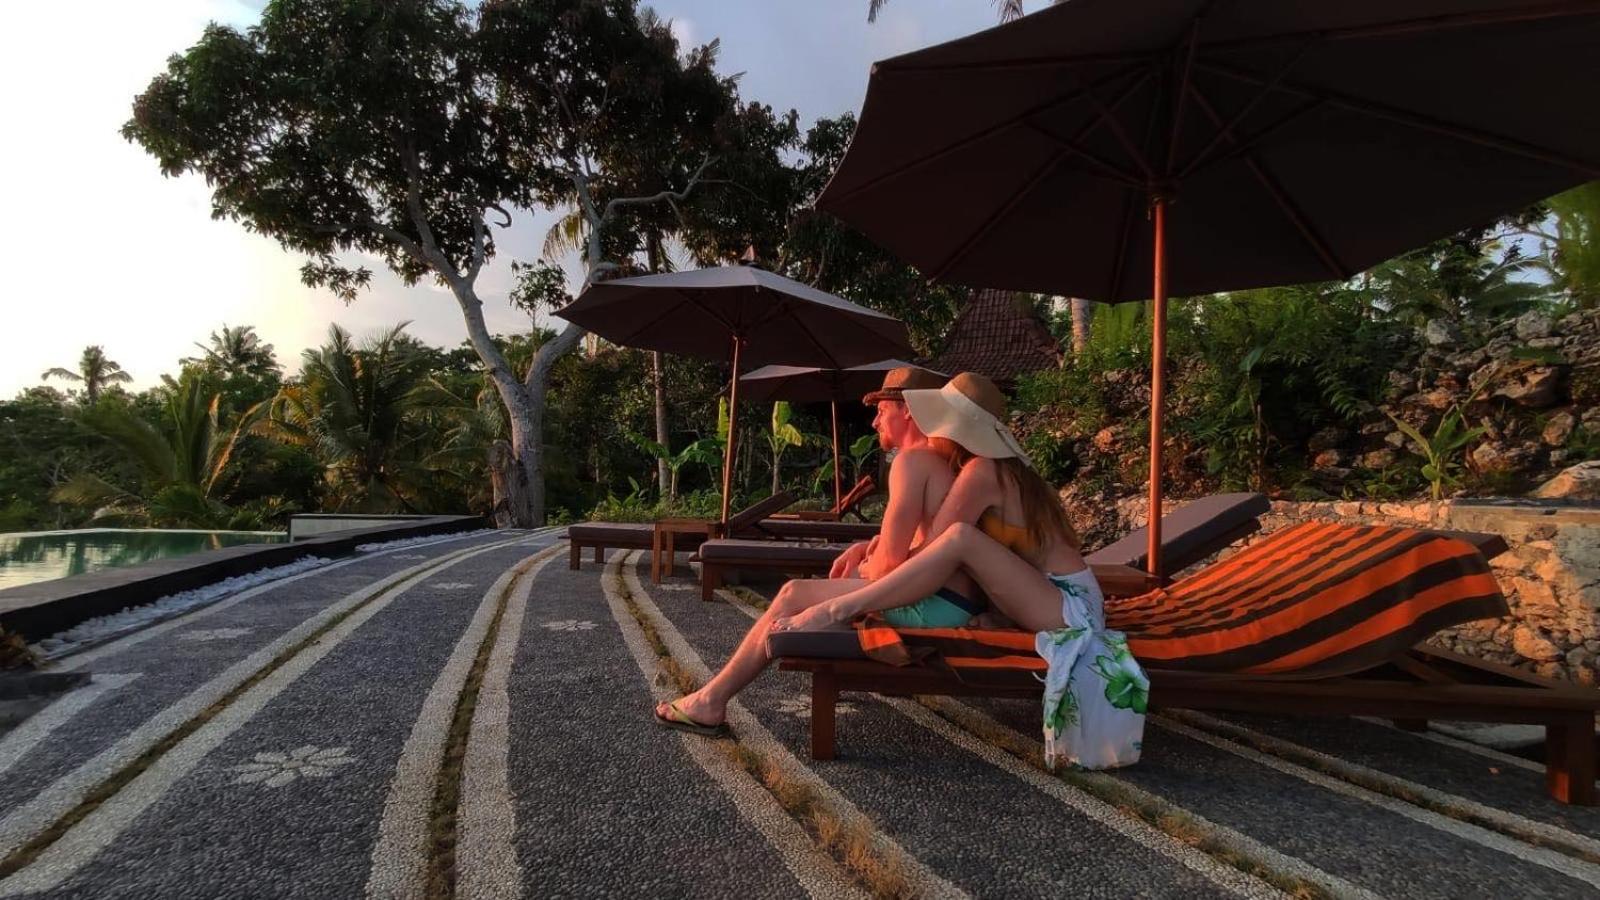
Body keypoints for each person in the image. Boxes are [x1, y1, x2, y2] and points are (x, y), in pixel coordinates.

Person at [661, 373, 1148, 770]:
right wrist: (872, 547)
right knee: (951, 544)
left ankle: (791, 643)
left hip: (1069, 609)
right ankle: (716, 695)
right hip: (1049, 597)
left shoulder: (982, 473)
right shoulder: (999, 470)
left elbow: (936, 547)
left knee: (957, 541)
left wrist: (854, 589)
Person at [654, 366, 957, 735]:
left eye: (882, 410)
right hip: (945, 596)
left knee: (793, 593)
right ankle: (713, 698)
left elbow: (887, 567)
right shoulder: (935, 460)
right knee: (813, 589)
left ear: (907, 410)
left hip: (933, 603)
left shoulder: (912, 461)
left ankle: (710, 701)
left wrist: (864, 567)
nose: (875, 421)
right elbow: (919, 543)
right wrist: (866, 546)